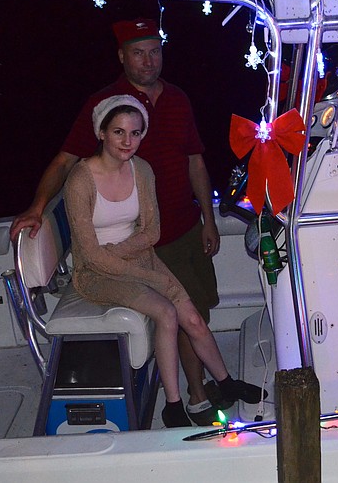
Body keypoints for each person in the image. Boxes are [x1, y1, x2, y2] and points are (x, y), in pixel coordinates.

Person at [10, 18, 228, 425]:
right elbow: (65, 161)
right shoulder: (105, 105)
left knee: (197, 309)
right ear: (122, 56)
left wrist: (209, 219)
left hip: (182, 226)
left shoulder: (178, 99)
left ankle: (210, 386)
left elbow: (195, 160)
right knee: (180, 312)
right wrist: (38, 206)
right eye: (138, 53)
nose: (148, 61)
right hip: (143, 242)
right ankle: (196, 397)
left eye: (155, 51)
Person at [63, 96, 263, 428]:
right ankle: (173, 405)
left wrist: (122, 252)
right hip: (95, 273)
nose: (128, 141)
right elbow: (91, 255)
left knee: (192, 318)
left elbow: (151, 232)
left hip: (139, 256)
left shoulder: (141, 169)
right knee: (167, 312)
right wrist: (141, 271)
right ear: (101, 132)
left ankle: (226, 382)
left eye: (136, 133)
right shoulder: (80, 179)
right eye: (118, 132)